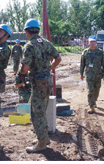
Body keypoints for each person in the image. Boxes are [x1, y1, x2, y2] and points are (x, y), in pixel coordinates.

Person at [16, 19, 61, 153]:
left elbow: (24, 69)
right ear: (38, 30)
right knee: (42, 108)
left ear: (26, 32)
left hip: (38, 83)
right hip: (47, 81)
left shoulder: (29, 45)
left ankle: (41, 143)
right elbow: (58, 59)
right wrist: (49, 68)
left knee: (36, 112)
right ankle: (44, 137)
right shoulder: (46, 43)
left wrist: (20, 76)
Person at [80, 36, 104, 114]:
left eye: (94, 42)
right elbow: (82, 64)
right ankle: (91, 106)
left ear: (96, 43)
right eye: (91, 42)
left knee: (96, 90)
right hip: (89, 74)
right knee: (90, 91)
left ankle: (94, 101)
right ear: (88, 43)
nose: (92, 43)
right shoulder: (85, 52)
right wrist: (81, 73)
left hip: (98, 74)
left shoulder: (100, 52)